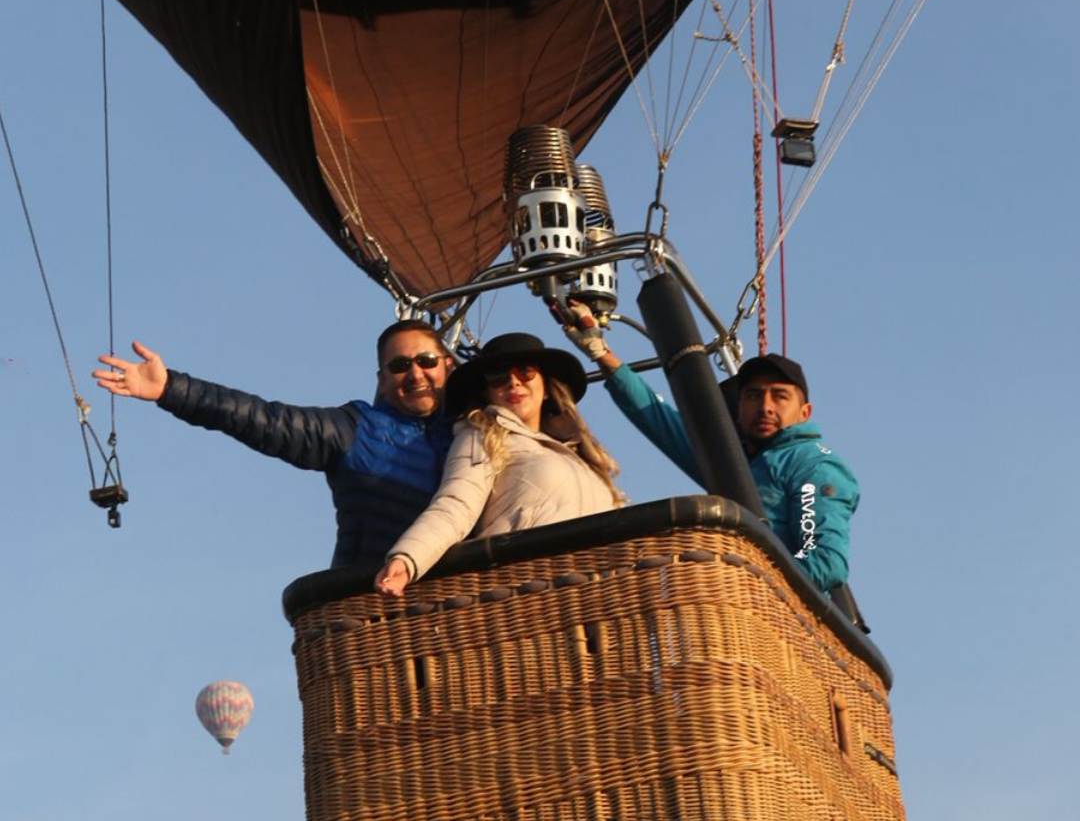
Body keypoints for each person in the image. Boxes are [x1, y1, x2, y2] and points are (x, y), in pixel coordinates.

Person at [92, 321, 455, 568]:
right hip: (371, 614)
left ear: (448, 366)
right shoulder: (354, 431)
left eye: (426, 361)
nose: (415, 373)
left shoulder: (473, 433)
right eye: (400, 365)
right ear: (381, 378)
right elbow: (263, 419)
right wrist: (172, 389)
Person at [550, 302, 858, 593]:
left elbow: (825, 562)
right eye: (752, 396)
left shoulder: (812, 464)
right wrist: (602, 353)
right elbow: (663, 423)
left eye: (779, 396)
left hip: (774, 619)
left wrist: (759, 588)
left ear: (805, 412)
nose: (764, 406)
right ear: (738, 409)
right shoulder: (737, 464)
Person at [375, 331, 623, 595]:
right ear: (487, 393)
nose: (513, 383)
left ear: (546, 387)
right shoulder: (483, 435)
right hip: (532, 595)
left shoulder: (581, 455)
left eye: (525, 373)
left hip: (596, 605)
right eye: (498, 378)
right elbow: (455, 505)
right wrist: (408, 559)